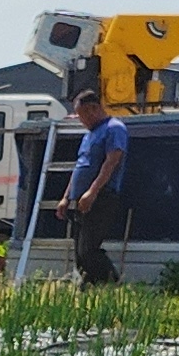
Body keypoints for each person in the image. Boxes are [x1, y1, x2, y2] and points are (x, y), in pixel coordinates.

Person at [65, 69, 130, 288]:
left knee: (89, 250)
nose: (81, 120)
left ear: (94, 109)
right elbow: (80, 166)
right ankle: (88, 289)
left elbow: (111, 162)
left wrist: (92, 192)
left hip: (101, 198)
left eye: (82, 115)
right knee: (79, 253)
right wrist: (67, 197)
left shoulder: (114, 129)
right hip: (79, 200)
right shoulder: (89, 134)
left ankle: (113, 284)